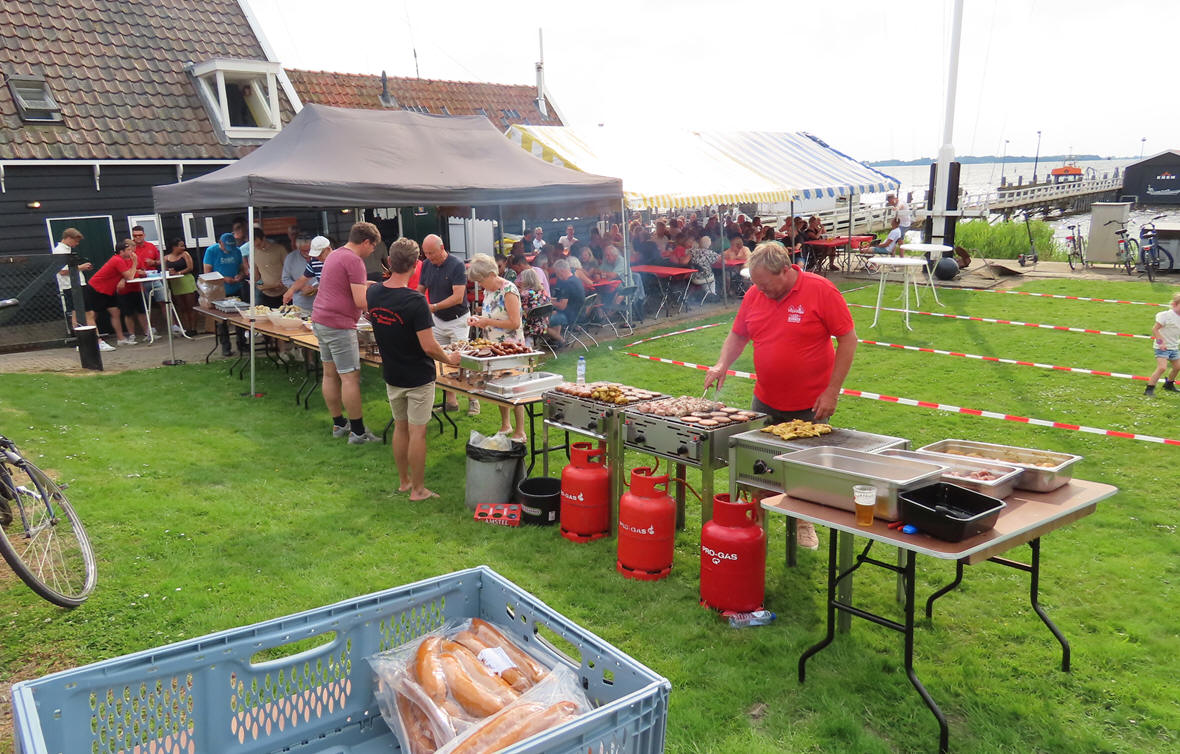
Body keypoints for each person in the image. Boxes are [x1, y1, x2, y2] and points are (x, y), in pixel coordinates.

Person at [704, 241, 857, 550]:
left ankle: (804, 523)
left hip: (811, 403)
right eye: (756, 283)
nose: (760, 289)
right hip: (765, 398)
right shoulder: (754, 294)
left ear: (786, 270)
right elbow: (738, 334)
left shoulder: (821, 291)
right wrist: (723, 364)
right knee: (760, 465)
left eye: (765, 283)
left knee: (804, 470)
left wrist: (831, 391)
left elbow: (848, 339)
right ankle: (758, 520)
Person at [367, 237, 461, 500]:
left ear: (390, 261)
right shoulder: (414, 301)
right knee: (418, 432)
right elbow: (429, 346)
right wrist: (450, 359)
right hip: (418, 376)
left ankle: (404, 482)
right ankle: (418, 490)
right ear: (415, 264)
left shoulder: (373, 292)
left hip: (392, 373)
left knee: (400, 427)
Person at [311, 222, 381, 444]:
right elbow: (361, 302)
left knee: (329, 374)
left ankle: (339, 424)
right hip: (338, 325)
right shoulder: (354, 261)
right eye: (373, 247)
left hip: (320, 320)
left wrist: (364, 284)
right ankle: (358, 433)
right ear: (367, 241)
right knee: (350, 377)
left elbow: (342, 286)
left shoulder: (335, 255)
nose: (373, 251)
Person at [467, 254, 528, 442]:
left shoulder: (508, 290)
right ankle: (505, 424)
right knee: (498, 386)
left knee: (515, 389)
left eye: (482, 280)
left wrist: (487, 321)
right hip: (493, 346)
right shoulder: (488, 291)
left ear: (492, 274)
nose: (481, 285)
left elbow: (514, 322)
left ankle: (520, 431)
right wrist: (479, 321)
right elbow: (490, 316)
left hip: (511, 347)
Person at [419, 233, 477, 415]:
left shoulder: (456, 265)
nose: (428, 257)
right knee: (441, 360)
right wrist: (415, 302)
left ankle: (473, 399)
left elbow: (458, 297)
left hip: (458, 319)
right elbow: (420, 290)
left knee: (464, 360)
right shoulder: (427, 265)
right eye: (425, 253)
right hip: (437, 320)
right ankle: (451, 402)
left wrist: (433, 307)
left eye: (431, 253)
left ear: (442, 248)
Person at [52, 228, 107, 346]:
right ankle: (96, 341)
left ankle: (82, 342)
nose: (77, 244)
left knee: (79, 313)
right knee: (87, 313)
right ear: (68, 238)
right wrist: (81, 267)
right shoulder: (60, 251)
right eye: (76, 241)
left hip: (77, 284)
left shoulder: (67, 250)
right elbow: (62, 271)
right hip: (72, 286)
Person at [86, 239, 140, 346]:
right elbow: (130, 275)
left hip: (109, 290)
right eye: (128, 250)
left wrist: (123, 279)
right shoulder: (117, 260)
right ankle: (95, 341)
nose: (132, 252)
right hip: (97, 288)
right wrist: (135, 263)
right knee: (93, 315)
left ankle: (120, 338)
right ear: (121, 251)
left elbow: (126, 275)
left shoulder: (122, 261)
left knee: (115, 312)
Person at [204, 232, 248, 356]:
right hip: (219, 290)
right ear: (220, 243)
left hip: (236, 288)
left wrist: (241, 274)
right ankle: (225, 346)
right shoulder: (211, 251)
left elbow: (241, 267)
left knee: (240, 317)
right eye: (226, 248)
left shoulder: (237, 251)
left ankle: (242, 343)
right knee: (221, 320)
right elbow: (207, 272)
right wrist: (224, 279)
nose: (229, 251)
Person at [1144, 292, 1180, 396]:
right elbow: (1155, 329)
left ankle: (1169, 384)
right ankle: (1149, 389)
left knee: (1178, 367)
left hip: (1173, 347)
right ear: (1174, 304)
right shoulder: (1166, 316)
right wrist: (1160, 342)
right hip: (1162, 347)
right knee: (1162, 367)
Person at [283, 235, 332, 308]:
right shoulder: (315, 261)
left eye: (319, 254)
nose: (317, 257)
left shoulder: (340, 259)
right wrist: (291, 290)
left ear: (328, 249)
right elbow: (303, 279)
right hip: (322, 304)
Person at [163, 238, 198, 335]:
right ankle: (187, 328)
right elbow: (165, 269)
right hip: (175, 282)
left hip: (186, 279)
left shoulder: (185, 254)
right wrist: (170, 273)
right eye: (181, 246)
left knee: (191, 305)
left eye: (183, 245)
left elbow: (190, 267)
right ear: (174, 247)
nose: (183, 247)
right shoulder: (166, 258)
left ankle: (193, 328)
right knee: (182, 307)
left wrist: (179, 272)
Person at [546, 259, 584, 347]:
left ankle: (560, 340)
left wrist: (549, 301)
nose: (557, 276)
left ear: (561, 271)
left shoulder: (567, 284)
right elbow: (564, 299)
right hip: (578, 314)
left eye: (557, 273)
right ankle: (556, 340)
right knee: (553, 313)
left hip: (570, 317)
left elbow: (562, 306)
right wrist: (549, 299)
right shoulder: (575, 280)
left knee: (539, 323)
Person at [247, 228, 287, 308]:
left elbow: (288, 269)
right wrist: (261, 285)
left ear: (264, 239)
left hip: (283, 291)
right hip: (265, 293)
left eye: (258, 245)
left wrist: (284, 282)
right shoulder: (253, 254)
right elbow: (256, 276)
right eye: (254, 245)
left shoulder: (279, 249)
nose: (257, 247)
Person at [517, 267, 551, 348]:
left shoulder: (525, 294)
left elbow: (518, 310)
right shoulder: (543, 291)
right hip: (542, 326)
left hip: (528, 327)